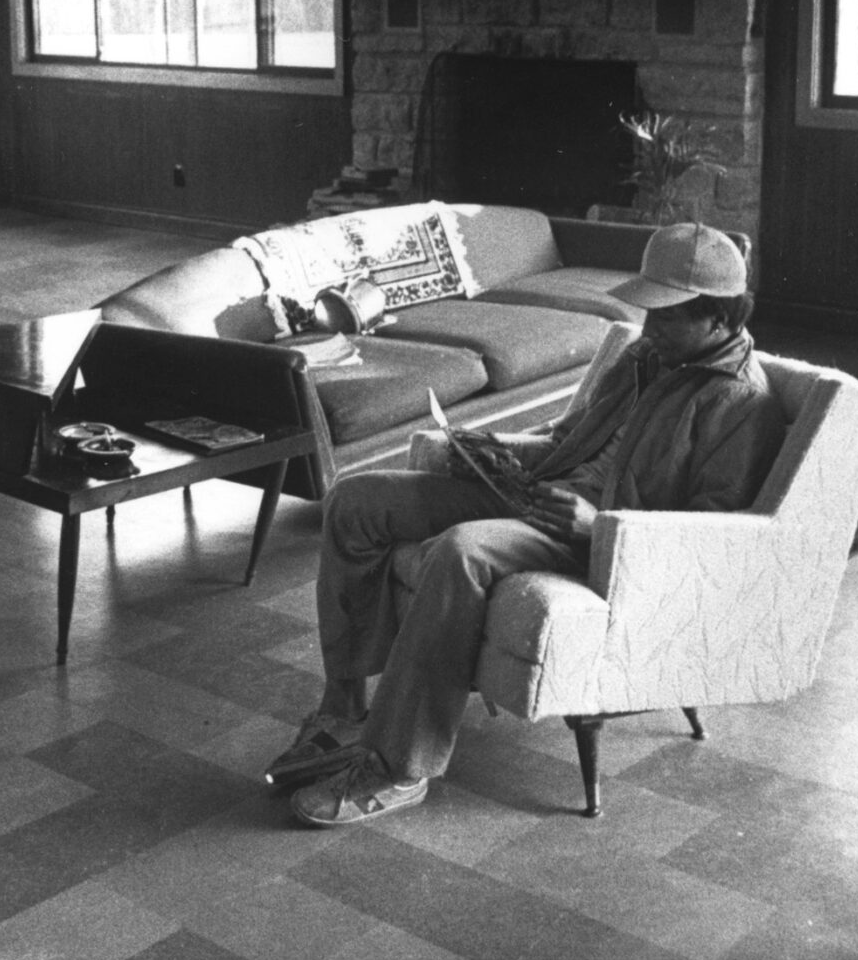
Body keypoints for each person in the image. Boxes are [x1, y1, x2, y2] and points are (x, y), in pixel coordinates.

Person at [270, 221, 789, 827]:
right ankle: (343, 710)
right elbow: (571, 437)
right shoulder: (647, 357)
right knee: (356, 500)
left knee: (462, 550)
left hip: (594, 539)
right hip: (539, 495)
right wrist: (496, 454)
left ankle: (399, 765)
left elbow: (711, 532)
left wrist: (597, 525)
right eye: (649, 313)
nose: (649, 330)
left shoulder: (742, 403)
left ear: (720, 317)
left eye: (667, 318)